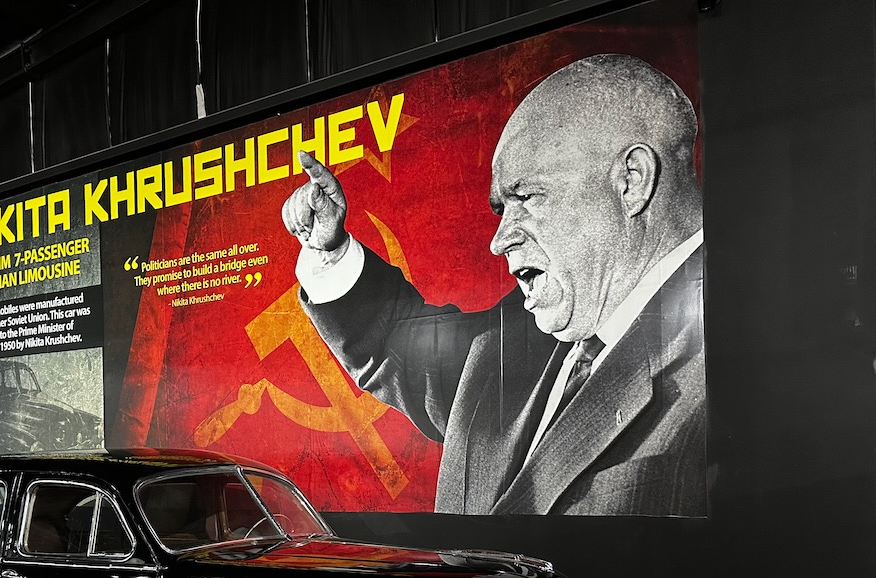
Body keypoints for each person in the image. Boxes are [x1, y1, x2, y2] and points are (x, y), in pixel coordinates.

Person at [282, 53, 706, 517]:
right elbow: (395, 342)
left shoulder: (749, 360)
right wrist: (332, 250)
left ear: (632, 181)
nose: (499, 241)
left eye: (525, 197)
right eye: (501, 209)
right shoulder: (517, 335)